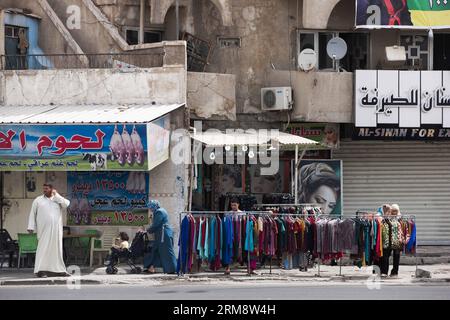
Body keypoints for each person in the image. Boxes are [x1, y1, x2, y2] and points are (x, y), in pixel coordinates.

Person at [27, 183, 70, 278]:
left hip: (56, 231)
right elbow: (32, 214)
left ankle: (59, 271)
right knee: (43, 249)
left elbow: (66, 204)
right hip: (43, 230)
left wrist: (57, 195)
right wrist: (31, 227)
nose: (44, 190)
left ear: (52, 189)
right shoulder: (38, 200)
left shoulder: (57, 199)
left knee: (57, 250)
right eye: (44, 189)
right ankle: (40, 271)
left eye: (46, 189)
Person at [143, 200, 177, 274]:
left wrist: (147, 230)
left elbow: (156, 224)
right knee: (155, 251)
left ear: (154, 206)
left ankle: (172, 269)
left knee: (167, 252)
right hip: (161, 234)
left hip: (163, 234)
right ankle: (151, 267)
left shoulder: (159, 212)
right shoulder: (160, 211)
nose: (150, 209)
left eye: (151, 207)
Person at [223, 198, 242, 275]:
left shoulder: (242, 213)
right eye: (232, 205)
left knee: (238, 249)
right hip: (230, 233)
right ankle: (228, 267)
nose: (233, 206)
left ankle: (240, 262)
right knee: (229, 249)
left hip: (239, 233)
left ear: (238, 205)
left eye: (235, 205)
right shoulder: (228, 214)